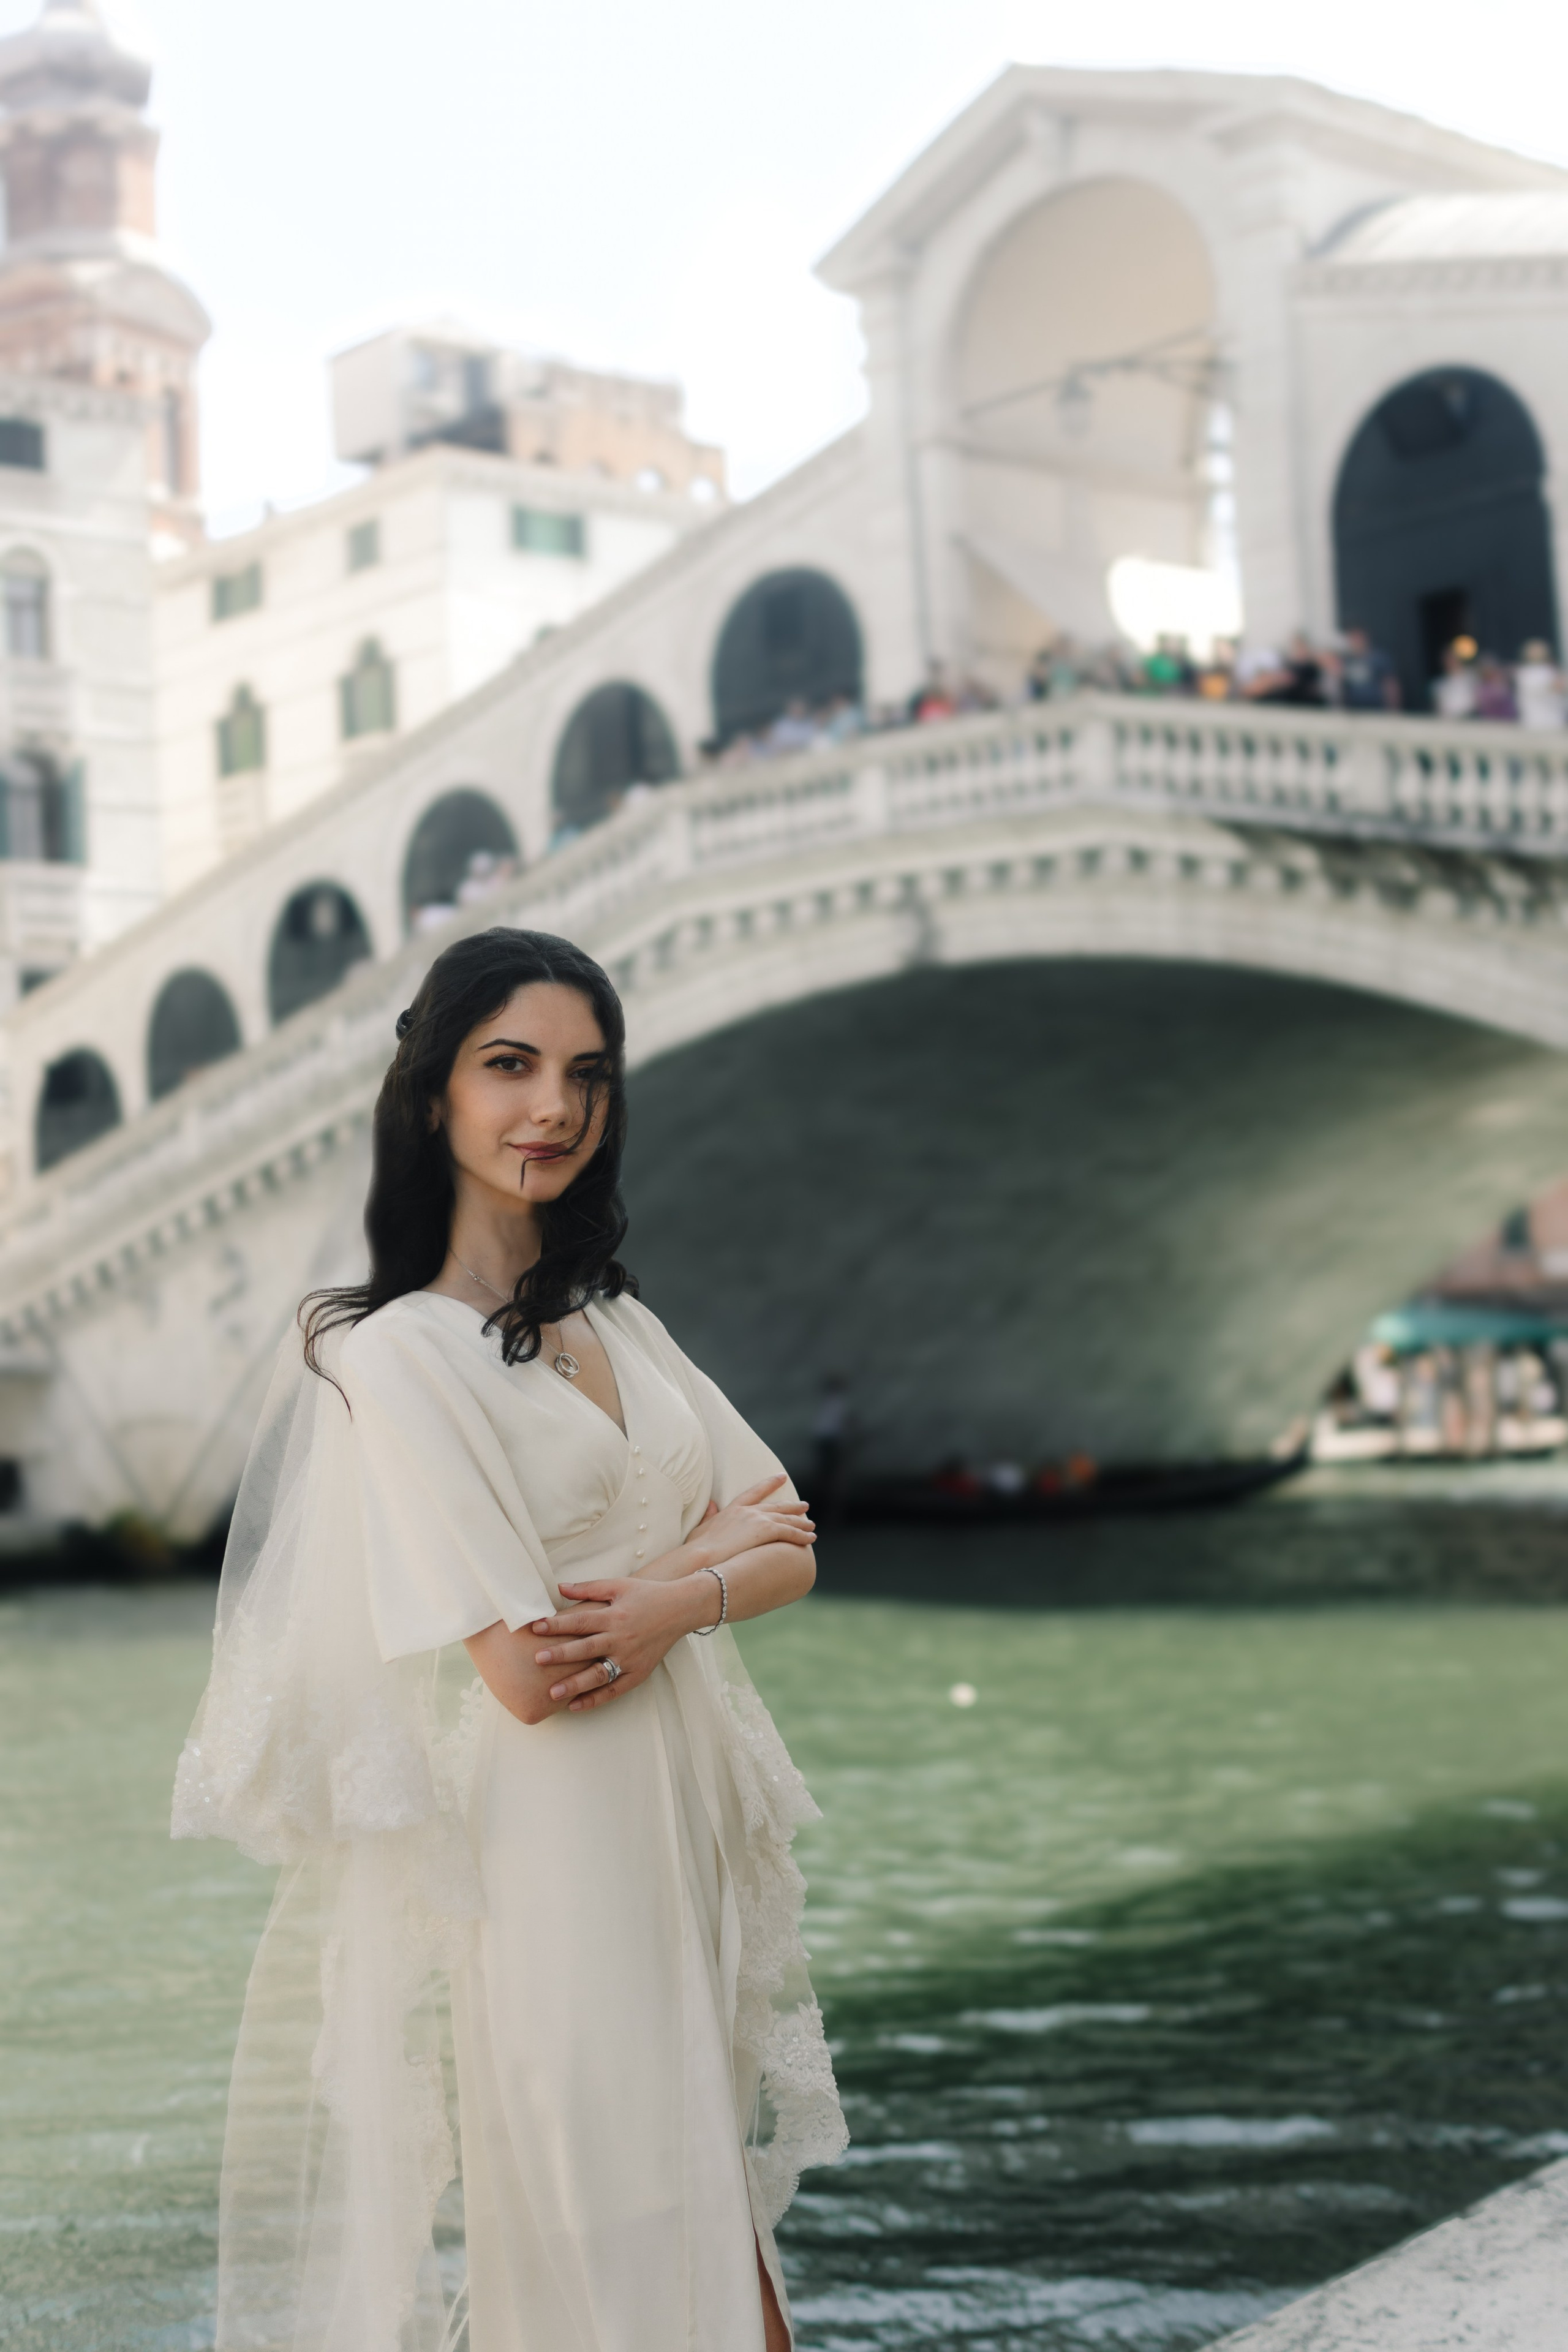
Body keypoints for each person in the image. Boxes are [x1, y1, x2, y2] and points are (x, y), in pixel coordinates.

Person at [173, 927, 846, 2352]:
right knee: (629, 2246)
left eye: (583, 1074)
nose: (552, 1105)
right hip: (558, 1848)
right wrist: (708, 1568)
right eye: (509, 1065)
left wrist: (664, 1598)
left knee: (716, 2241)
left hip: (680, 1826)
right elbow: (528, 1674)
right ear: (433, 1096)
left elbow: (789, 1524)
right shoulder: (394, 1350)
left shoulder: (618, 1319)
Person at [1336, 625, 1401, 712]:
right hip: (1353, 711)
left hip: (1377, 710)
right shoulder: (1347, 660)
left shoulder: (1378, 658)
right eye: (1353, 639)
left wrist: (1393, 709)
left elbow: (1390, 684)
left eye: (1358, 638)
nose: (1355, 642)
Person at [1514, 640, 1567, 731]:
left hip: (1556, 721)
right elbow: (1554, 686)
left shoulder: (1551, 670)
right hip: (1536, 722)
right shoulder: (1525, 673)